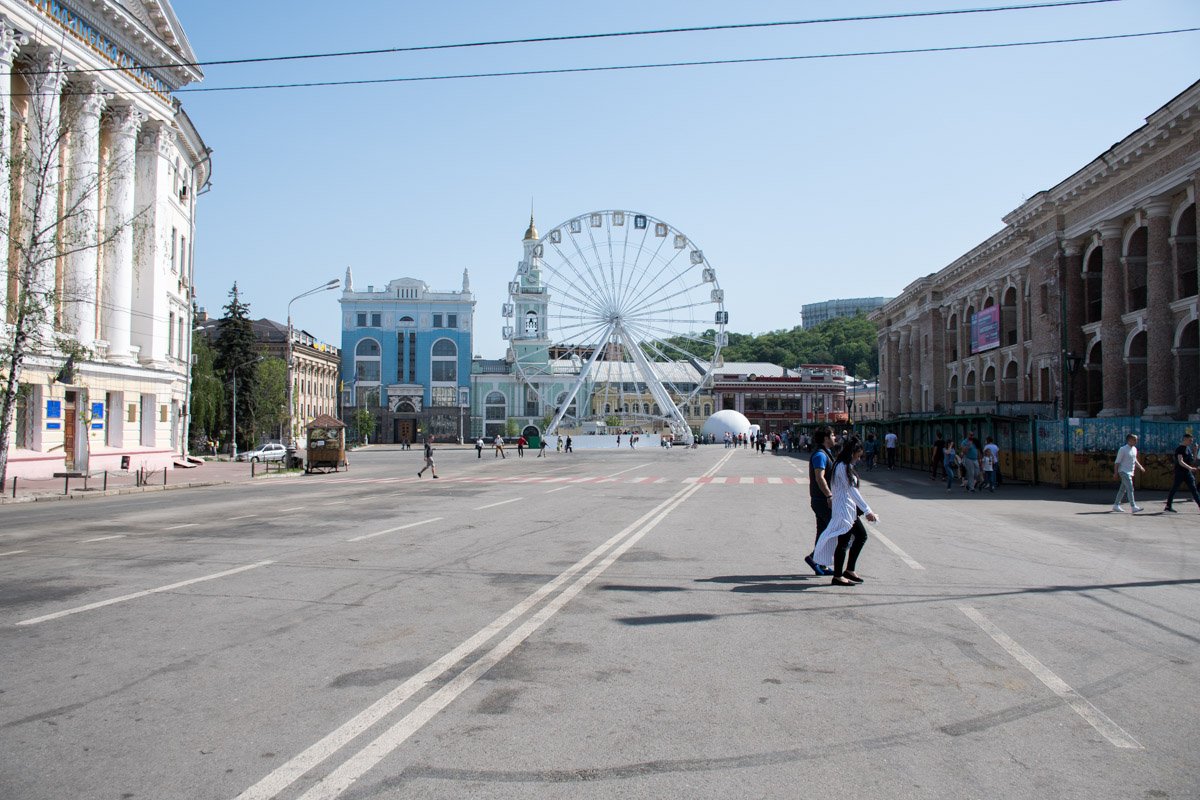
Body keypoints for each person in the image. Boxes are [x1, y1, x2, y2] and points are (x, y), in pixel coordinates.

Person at [813, 436, 878, 586]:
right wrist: (867, 510)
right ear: (852, 452)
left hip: (848, 510)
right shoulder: (843, 467)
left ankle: (849, 570)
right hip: (843, 511)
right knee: (844, 542)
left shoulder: (844, 465)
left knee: (861, 536)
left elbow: (851, 491)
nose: (859, 459)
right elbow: (852, 491)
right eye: (858, 455)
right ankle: (837, 576)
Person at [804, 426, 836, 576]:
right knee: (832, 531)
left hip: (821, 499)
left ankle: (821, 563)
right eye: (833, 435)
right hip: (822, 499)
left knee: (823, 531)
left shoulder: (826, 453)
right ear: (826, 438)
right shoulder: (820, 456)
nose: (835, 438)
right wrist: (829, 495)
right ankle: (814, 558)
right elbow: (819, 477)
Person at [1164, 432, 1200, 512]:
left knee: (1194, 490)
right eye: (1190, 440)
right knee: (1174, 489)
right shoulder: (1180, 449)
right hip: (1180, 472)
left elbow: (1192, 461)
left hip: (1187, 473)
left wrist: (1195, 450)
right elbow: (1180, 461)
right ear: (1185, 440)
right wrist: (1190, 468)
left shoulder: (1188, 449)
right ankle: (1168, 506)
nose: (1191, 442)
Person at [1112, 433, 1145, 512]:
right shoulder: (1123, 449)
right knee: (1130, 488)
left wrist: (1140, 467)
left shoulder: (1134, 449)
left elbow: (1134, 460)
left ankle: (1116, 505)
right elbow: (1117, 462)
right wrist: (1115, 473)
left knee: (1122, 489)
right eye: (1134, 440)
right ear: (1129, 440)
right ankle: (1133, 506)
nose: (1136, 441)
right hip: (1123, 471)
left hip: (1130, 472)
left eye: (1136, 440)